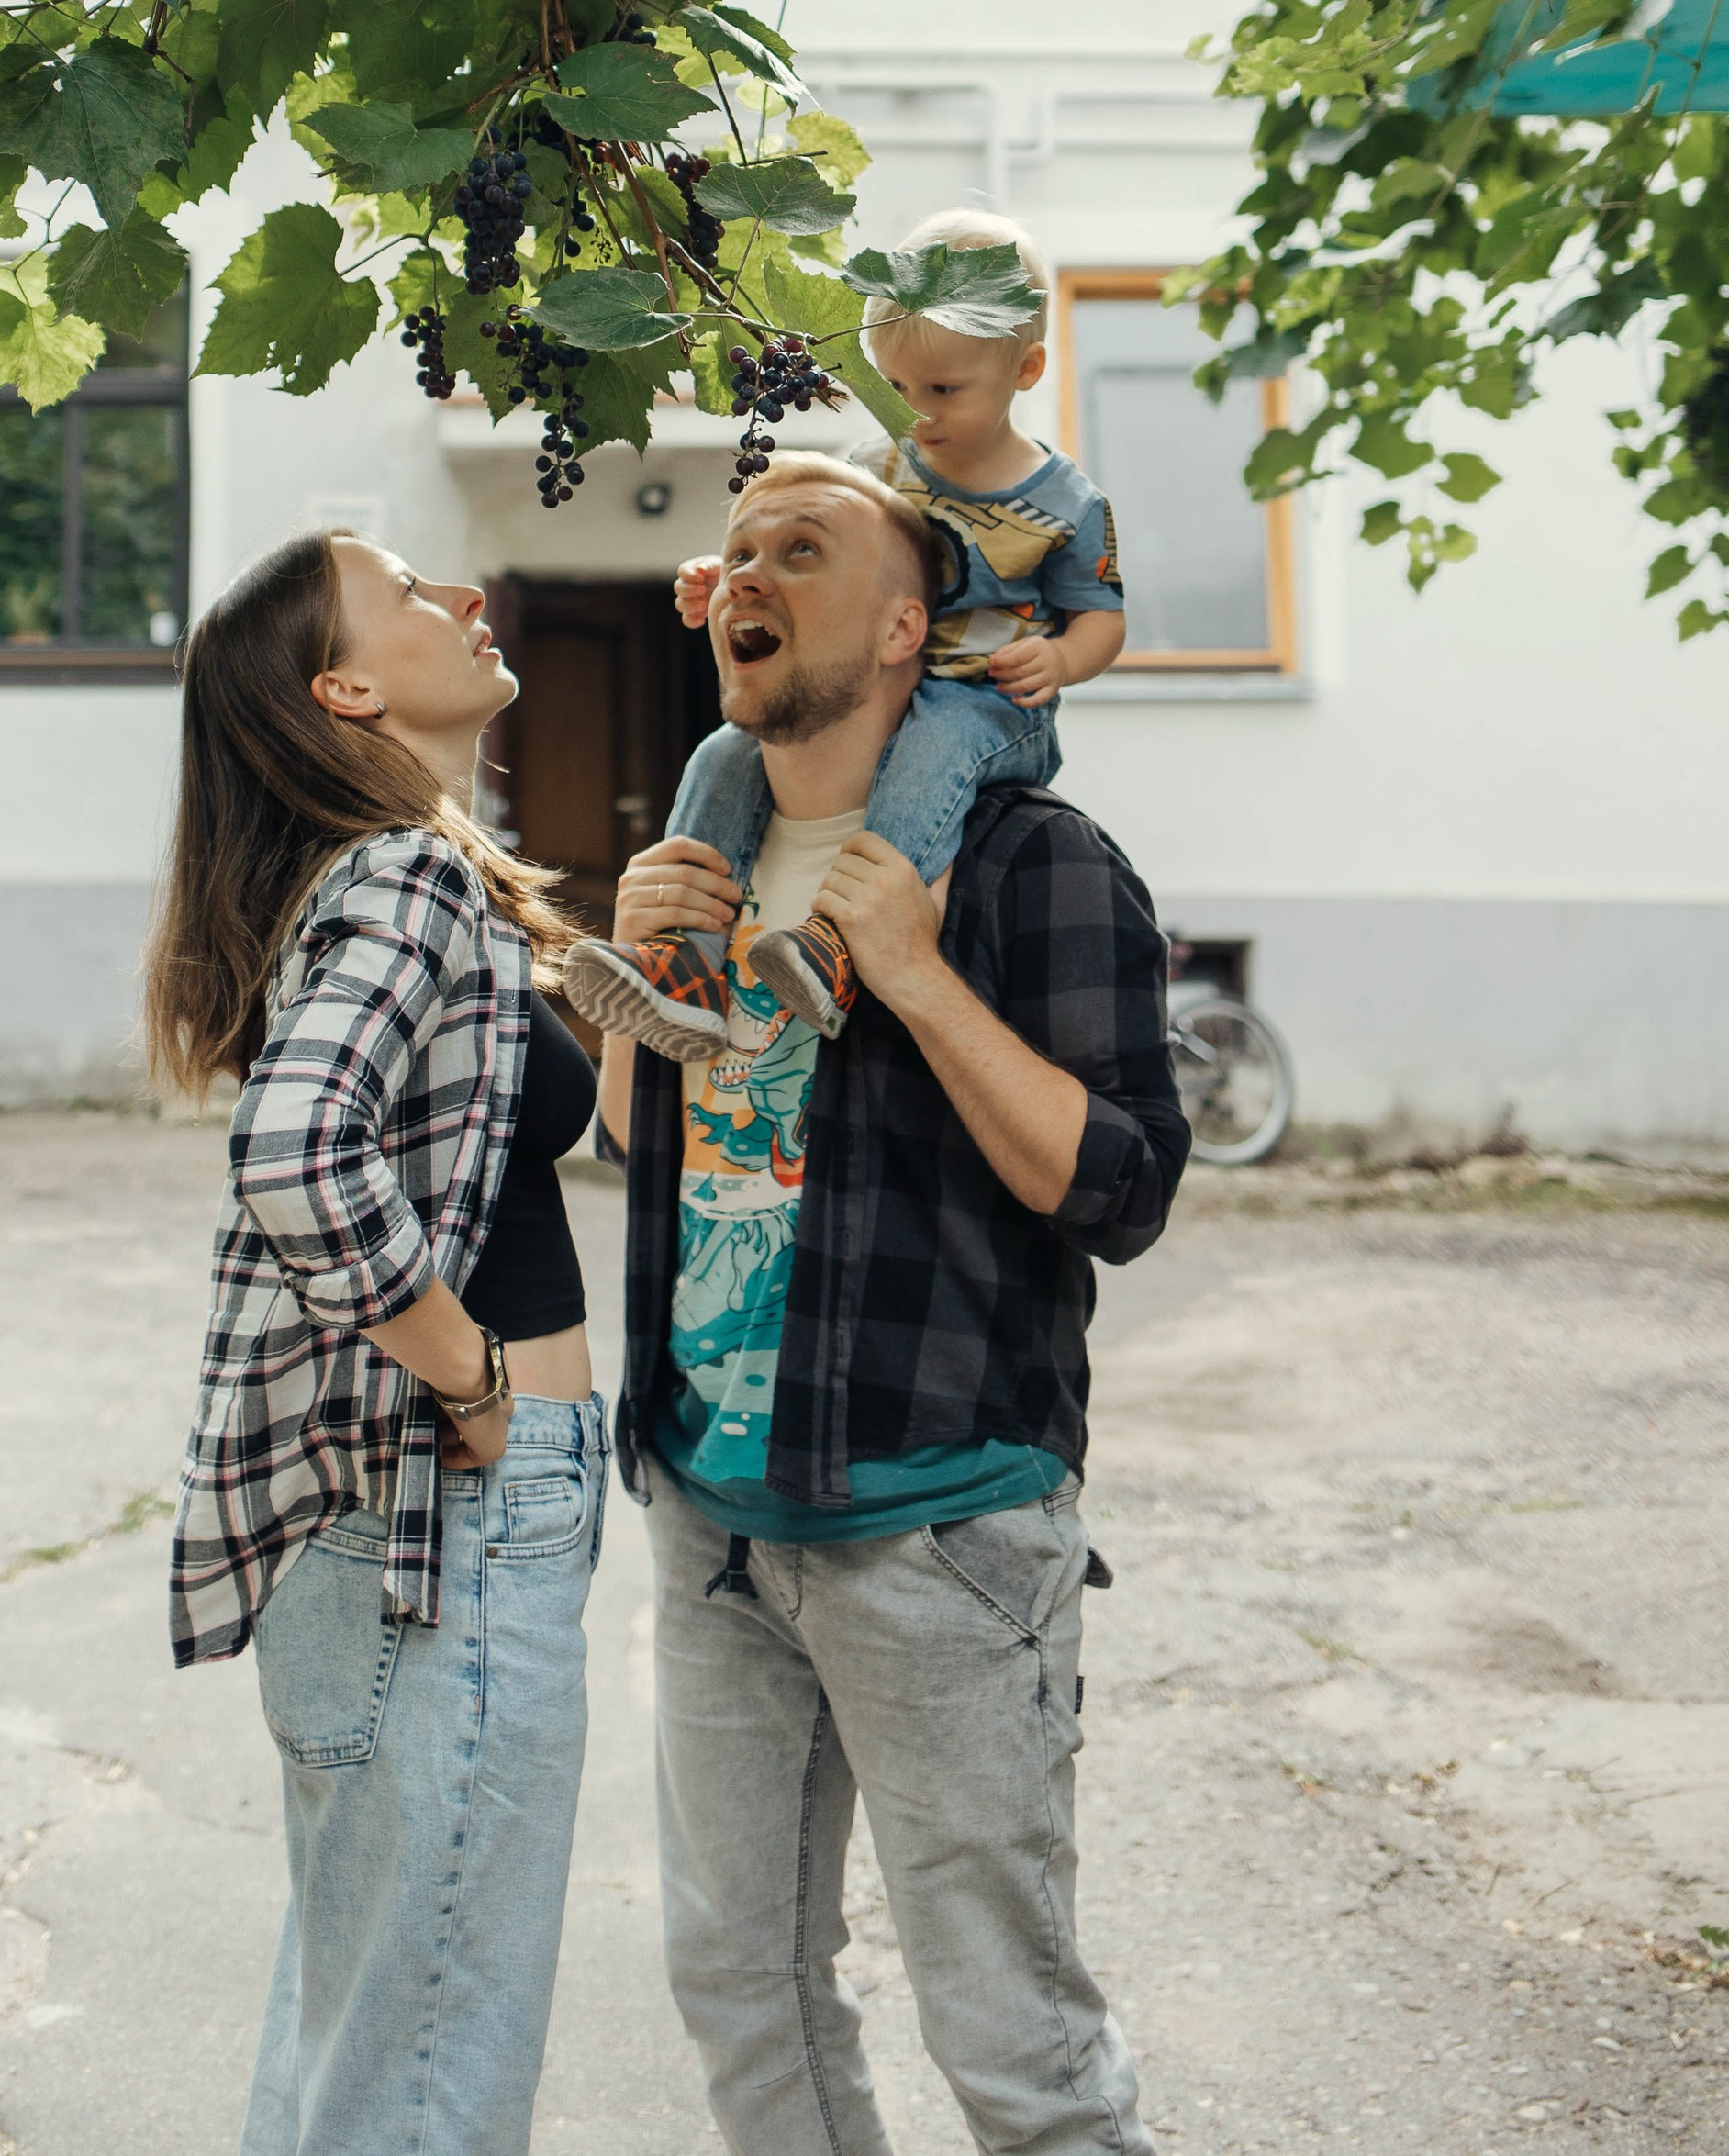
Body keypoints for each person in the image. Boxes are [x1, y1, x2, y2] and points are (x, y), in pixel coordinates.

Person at [599, 451, 1187, 2156]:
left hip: (939, 1528)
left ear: (908, 626)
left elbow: (1126, 1190)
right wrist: (637, 982)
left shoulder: (1031, 863)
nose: (749, 573)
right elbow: (646, 1147)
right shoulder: (705, 858)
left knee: (1015, 2048)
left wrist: (917, 978)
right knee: (743, 1987)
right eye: (737, 550)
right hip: (714, 1517)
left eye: (803, 548)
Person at [146, 534, 607, 2156]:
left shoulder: (369, 873)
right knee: (424, 2076)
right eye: (411, 594)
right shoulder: (409, 875)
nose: (465, 600)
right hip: (452, 1515)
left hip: (382, 1524)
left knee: (357, 2031)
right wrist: (469, 1370)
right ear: (342, 689)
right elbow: (296, 1155)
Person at [563, 208, 1127, 1060]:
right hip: (892, 688)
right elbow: (822, 558)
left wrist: (1060, 658)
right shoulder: (877, 467)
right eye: (894, 388)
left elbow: (1103, 618)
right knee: (722, 754)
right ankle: (685, 961)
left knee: (936, 747)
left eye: (943, 391)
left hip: (990, 702)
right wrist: (731, 579)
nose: (916, 413)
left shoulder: (1067, 502)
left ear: (1026, 370)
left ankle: (836, 942)